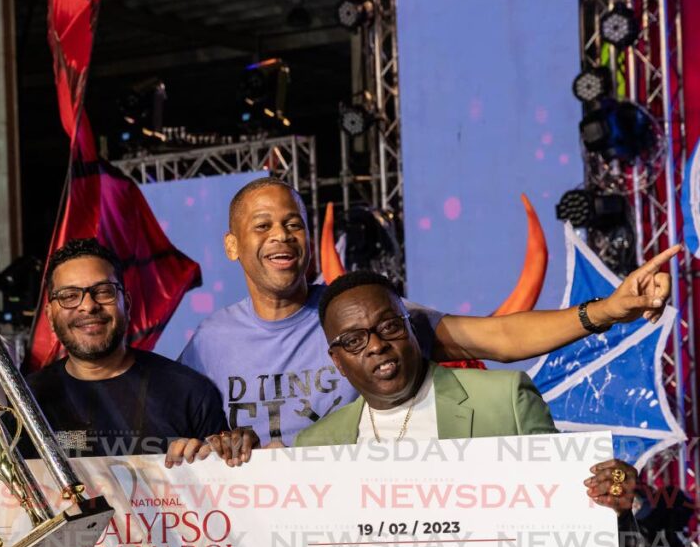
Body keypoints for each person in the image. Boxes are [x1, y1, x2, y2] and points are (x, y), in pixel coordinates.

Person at [179, 178, 679, 446]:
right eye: (262, 226)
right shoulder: (208, 343)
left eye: (294, 224)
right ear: (232, 245)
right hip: (257, 532)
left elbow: (500, 338)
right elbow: (176, 435)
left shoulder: (360, 314)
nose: (281, 237)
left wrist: (609, 310)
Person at [294, 271, 636, 510]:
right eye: (354, 340)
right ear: (337, 361)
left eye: (388, 326)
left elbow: (573, 514)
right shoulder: (314, 446)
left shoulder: (505, 400)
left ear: (412, 327)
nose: (376, 346)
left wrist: (614, 505)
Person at [27, 238, 255, 467]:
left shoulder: (190, 392)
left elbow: (226, 484)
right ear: (50, 315)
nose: (88, 305)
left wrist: (227, 453)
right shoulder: (27, 401)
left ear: (126, 303)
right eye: (69, 296)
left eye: (103, 291)